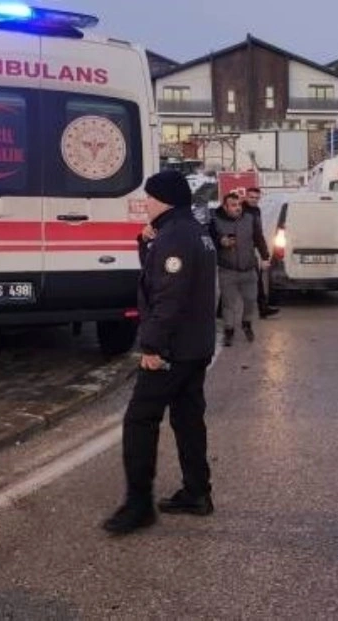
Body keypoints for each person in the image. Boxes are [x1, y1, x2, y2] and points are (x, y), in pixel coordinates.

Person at [104, 170, 218, 536]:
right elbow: (161, 276)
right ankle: (197, 492)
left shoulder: (175, 237)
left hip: (173, 349)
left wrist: (152, 345)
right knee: (188, 419)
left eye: (149, 198)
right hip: (196, 345)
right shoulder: (194, 231)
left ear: (164, 200)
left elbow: (168, 296)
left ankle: (138, 505)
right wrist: (145, 242)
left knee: (140, 421)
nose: (145, 204)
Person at [209, 191, 268, 346]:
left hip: (249, 269)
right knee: (228, 304)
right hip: (228, 270)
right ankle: (229, 331)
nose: (237, 208)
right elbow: (210, 239)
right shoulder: (216, 221)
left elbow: (259, 238)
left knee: (251, 299)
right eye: (233, 205)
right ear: (225, 207)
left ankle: (246, 323)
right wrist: (221, 241)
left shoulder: (250, 219)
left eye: (239, 205)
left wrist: (265, 257)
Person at [242, 187, 279, 318]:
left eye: (256, 198)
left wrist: (265, 256)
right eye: (251, 197)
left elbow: (258, 234)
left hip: (249, 251)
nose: (254, 200)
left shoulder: (256, 211)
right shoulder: (240, 210)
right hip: (238, 251)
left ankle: (263, 309)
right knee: (232, 280)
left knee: (257, 280)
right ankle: (220, 312)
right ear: (246, 196)